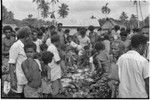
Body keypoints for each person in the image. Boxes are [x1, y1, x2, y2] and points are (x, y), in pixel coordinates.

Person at [8, 26, 31, 97]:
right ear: (26, 36)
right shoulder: (16, 46)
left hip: (25, 77)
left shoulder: (24, 46)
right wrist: (13, 80)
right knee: (18, 95)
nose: (30, 37)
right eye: (29, 35)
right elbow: (11, 64)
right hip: (18, 78)